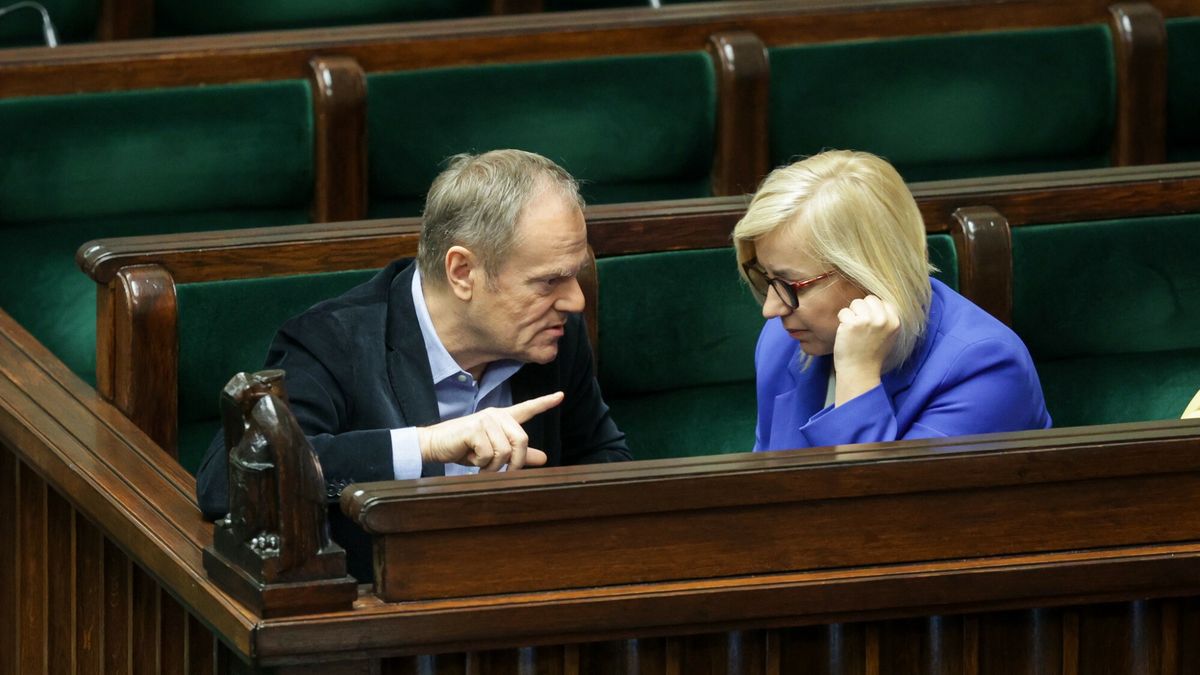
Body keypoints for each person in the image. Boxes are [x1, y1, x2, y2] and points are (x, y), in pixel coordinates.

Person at [197, 149, 630, 579]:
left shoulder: (551, 335)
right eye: (549, 281)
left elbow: (603, 457)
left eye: (572, 275)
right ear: (462, 272)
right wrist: (424, 446)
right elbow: (228, 481)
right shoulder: (334, 342)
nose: (575, 301)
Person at [732, 150, 1051, 451]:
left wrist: (857, 373)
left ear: (870, 272)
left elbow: (879, 505)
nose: (771, 309)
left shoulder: (986, 369)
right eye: (766, 278)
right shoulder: (783, 341)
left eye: (791, 284)